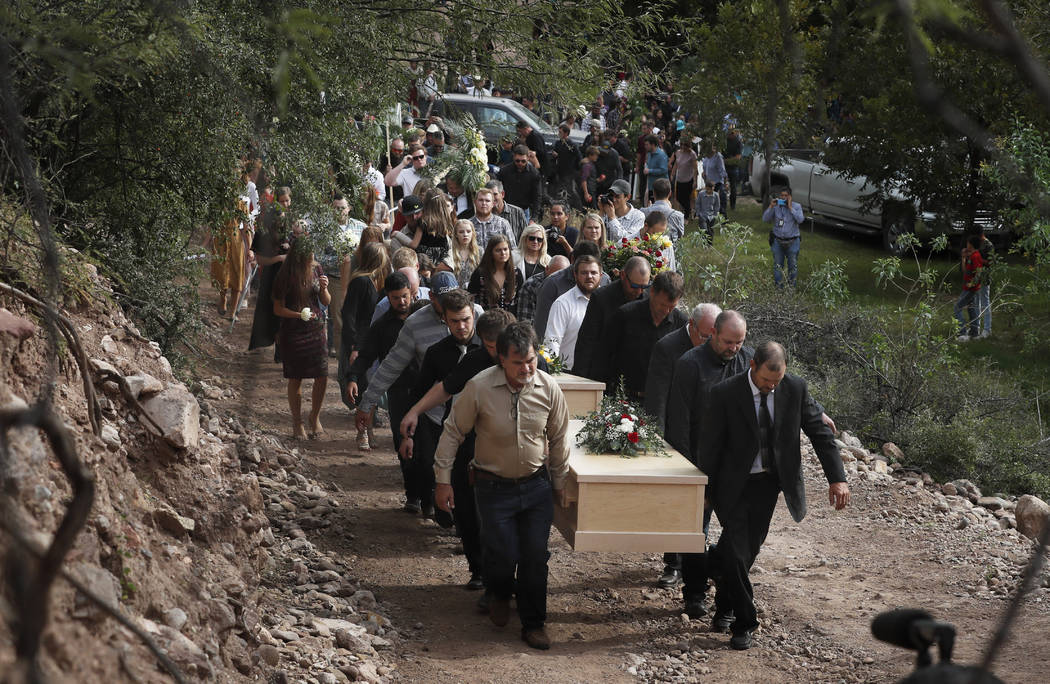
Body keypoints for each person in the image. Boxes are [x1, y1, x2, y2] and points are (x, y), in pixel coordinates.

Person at [698, 341, 849, 650]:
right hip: (732, 484)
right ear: (753, 366)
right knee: (738, 551)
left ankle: (720, 590)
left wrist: (838, 479)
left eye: (776, 382)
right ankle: (745, 621)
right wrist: (704, 489)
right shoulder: (725, 393)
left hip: (769, 484)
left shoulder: (794, 388)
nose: (771, 387)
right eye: (766, 380)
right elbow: (709, 446)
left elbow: (819, 433)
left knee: (743, 552)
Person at [432, 322, 571, 651]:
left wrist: (560, 482)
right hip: (493, 488)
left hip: (536, 486)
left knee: (536, 556)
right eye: (518, 362)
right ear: (502, 361)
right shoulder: (479, 388)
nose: (526, 369)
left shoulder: (549, 388)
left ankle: (534, 623)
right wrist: (442, 481)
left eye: (531, 361)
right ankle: (497, 591)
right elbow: (453, 432)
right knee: (502, 552)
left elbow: (560, 437)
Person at [354, 273, 484, 513]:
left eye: (465, 318)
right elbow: (392, 364)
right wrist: (367, 402)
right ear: (430, 297)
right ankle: (429, 499)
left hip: (477, 413)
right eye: (444, 304)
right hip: (432, 408)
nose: (461, 325)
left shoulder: (479, 315)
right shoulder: (415, 325)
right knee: (428, 463)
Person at [642, 303, 720, 588]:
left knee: (703, 505)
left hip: (709, 438)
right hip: (677, 434)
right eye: (706, 335)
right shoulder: (669, 347)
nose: (711, 341)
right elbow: (659, 395)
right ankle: (673, 564)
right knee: (678, 504)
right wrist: (659, 440)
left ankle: (694, 564)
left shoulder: (722, 351)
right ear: (691, 325)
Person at [400, 289, 479, 522]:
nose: (461, 326)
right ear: (445, 319)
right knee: (437, 468)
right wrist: (408, 434)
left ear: (474, 314)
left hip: (481, 426)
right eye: (454, 321)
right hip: (443, 422)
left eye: (466, 319)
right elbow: (420, 390)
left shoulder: (489, 348)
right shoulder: (437, 353)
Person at [347, 271, 418, 507]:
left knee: (428, 443)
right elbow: (366, 355)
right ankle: (413, 494)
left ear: (412, 292)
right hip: (399, 392)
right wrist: (354, 377)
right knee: (402, 440)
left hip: (427, 390)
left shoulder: (422, 318)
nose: (402, 302)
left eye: (405, 296)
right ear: (388, 297)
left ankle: (428, 493)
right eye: (396, 298)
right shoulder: (381, 326)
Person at [594, 271, 686, 400]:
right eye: (662, 305)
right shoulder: (625, 315)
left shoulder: (681, 323)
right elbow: (603, 357)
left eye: (672, 307)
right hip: (624, 397)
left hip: (663, 401)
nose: (666, 311)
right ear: (652, 291)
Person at [271, 240, 330, 440]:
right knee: (295, 377)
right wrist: (298, 315)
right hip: (293, 331)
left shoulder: (317, 269)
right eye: (309, 254)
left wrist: (323, 289)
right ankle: (297, 422)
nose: (313, 257)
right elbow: (277, 309)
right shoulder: (285, 275)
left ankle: (315, 416)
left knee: (322, 374)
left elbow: (325, 301)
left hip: (316, 328)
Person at [339, 242, 390, 450]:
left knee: (369, 389)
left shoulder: (372, 281)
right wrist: (354, 346)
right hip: (359, 341)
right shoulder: (361, 282)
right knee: (362, 388)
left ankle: (368, 432)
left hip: (368, 340)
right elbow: (349, 315)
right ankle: (363, 434)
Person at [570, 255, 651, 380]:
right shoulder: (602, 298)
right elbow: (587, 341)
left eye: (644, 287)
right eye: (634, 286)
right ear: (623, 275)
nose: (639, 291)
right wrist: (581, 380)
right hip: (605, 372)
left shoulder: (649, 298)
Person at [531, 240, 610, 339]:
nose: (589, 276)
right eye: (583, 270)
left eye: (593, 271)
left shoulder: (604, 280)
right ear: (573, 259)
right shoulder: (552, 284)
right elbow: (541, 327)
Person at [249, 186, 293, 353]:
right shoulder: (266, 224)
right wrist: (279, 258)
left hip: (290, 274)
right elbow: (259, 258)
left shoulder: (294, 221)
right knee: (270, 309)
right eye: (282, 201)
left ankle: (283, 350)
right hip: (272, 273)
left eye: (287, 201)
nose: (285, 204)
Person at [543, 255, 602, 371]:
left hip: (600, 374)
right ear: (575, 275)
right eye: (584, 273)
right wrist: (555, 373)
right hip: (569, 373)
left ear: (601, 275)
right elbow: (552, 342)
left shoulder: (607, 301)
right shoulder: (562, 304)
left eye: (593, 273)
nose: (589, 276)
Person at [209, 197, 251, 319]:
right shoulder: (218, 202)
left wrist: (251, 248)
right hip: (221, 240)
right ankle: (222, 298)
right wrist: (207, 243)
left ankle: (232, 312)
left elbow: (246, 228)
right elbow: (212, 225)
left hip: (236, 241)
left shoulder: (242, 204)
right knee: (221, 273)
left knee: (237, 275)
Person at [468, 235, 522, 314]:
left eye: (505, 249)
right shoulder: (480, 273)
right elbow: (471, 299)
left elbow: (519, 300)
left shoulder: (516, 273)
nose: (503, 253)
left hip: (511, 322)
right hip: (487, 321)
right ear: (491, 253)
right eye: (498, 250)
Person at [763, 187, 805, 288]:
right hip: (777, 240)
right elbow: (765, 219)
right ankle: (779, 289)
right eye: (782, 195)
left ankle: (791, 289)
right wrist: (771, 207)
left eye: (786, 196)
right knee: (778, 266)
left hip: (793, 241)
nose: (783, 198)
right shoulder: (776, 207)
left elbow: (800, 220)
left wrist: (790, 208)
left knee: (792, 266)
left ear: (790, 197)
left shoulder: (797, 206)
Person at [516, 255, 569, 324]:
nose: (557, 280)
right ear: (547, 269)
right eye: (555, 275)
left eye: (562, 276)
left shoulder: (571, 284)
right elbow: (525, 321)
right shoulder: (531, 285)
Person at [498, 144, 543, 222]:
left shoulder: (534, 174)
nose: (520, 163)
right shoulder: (504, 171)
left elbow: (537, 196)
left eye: (523, 161)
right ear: (513, 157)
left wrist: (534, 218)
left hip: (524, 210)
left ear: (528, 158)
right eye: (517, 161)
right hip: (506, 209)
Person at [954, 234, 985, 341]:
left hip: (970, 288)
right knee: (972, 309)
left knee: (957, 307)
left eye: (968, 243)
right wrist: (963, 258)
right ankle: (974, 332)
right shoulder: (971, 256)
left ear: (971, 245)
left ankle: (962, 333)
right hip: (968, 287)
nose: (966, 245)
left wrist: (973, 284)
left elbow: (979, 272)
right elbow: (965, 271)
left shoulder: (976, 256)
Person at [642, 178, 685, 245]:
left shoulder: (643, 212)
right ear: (670, 193)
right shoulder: (678, 215)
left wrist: (648, 208)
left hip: (648, 252)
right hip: (671, 252)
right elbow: (680, 238)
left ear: (654, 193)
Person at [445, 219, 482, 288]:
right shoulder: (449, 252)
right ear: (456, 234)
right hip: (455, 293)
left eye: (468, 231)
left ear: (473, 233)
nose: (465, 234)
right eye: (461, 232)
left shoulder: (480, 251)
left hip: (475, 292)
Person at [973, 227, 994, 338]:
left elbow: (990, 262)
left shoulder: (988, 245)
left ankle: (987, 329)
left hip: (984, 277)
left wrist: (978, 259)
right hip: (975, 277)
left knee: (985, 303)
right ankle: (975, 327)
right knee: (976, 303)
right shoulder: (976, 244)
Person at [670, 137, 698, 218]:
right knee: (678, 197)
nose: (683, 147)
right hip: (679, 179)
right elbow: (676, 164)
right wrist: (672, 174)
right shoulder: (678, 152)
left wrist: (695, 181)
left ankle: (686, 216)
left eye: (685, 145)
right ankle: (688, 210)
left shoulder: (692, 154)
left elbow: (695, 169)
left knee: (686, 198)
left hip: (689, 179)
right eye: (681, 145)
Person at [701, 143, 729, 219]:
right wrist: (703, 174)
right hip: (709, 183)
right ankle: (710, 220)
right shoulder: (705, 158)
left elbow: (722, 171)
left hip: (718, 183)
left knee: (719, 203)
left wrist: (726, 183)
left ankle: (724, 220)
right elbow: (705, 169)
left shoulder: (718, 157)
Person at [642, 134, 669, 207]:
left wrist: (650, 171)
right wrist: (646, 167)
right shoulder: (649, 154)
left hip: (661, 188)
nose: (645, 147)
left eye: (647, 145)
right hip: (652, 186)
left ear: (653, 144)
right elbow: (647, 163)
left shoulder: (661, 155)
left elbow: (664, 170)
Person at [724, 126, 744, 211]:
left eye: (732, 133)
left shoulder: (738, 142)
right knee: (721, 187)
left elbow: (737, 158)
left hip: (733, 168)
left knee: (734, 188)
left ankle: (733, 206)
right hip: (723, 168)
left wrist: (725, 161)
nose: (730, 134)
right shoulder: (724, 141)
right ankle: (722, 205)